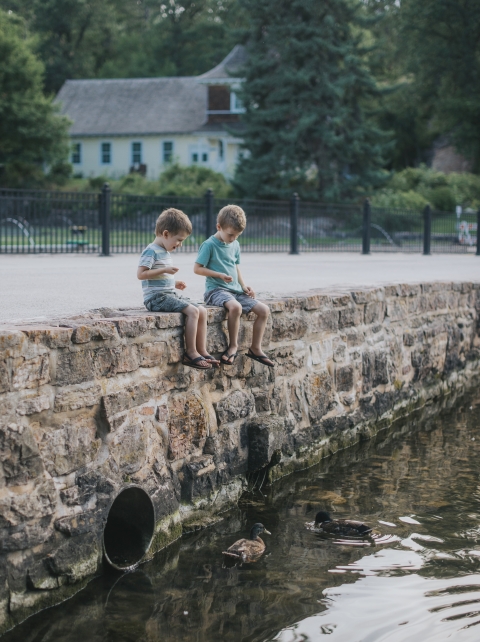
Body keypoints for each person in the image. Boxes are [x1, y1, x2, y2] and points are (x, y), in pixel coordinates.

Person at [137, 208, 219, 370]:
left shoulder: (164, 251)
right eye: (179, 240)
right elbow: (141, 274)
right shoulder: (151, 251)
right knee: (193, 312)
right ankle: (191, 353)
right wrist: (164, 271)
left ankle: (201, 350)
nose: (180, 245)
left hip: (167, 293)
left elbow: (158, 278)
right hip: (156, 299)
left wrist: (174, 283)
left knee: (201, 310)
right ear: (165, 234)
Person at [194, 204, 274, 367]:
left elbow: (235, 266)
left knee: (264, 310)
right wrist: (219, 275)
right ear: (219, 227)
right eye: (230, 235)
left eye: (237, 236)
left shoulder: (235, 244)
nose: (233, 239)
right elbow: (197, 269)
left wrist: (244, 286)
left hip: (235, 290)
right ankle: (233, 346)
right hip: (215, 290)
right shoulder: (209, 245)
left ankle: (255, 349)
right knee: (235, 308)